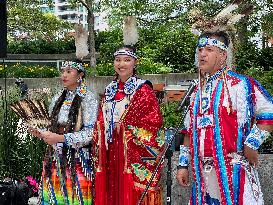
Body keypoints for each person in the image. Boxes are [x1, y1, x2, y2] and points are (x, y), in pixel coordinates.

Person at [176, 30, 273, 204]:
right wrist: (182, 165)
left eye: (208, 49)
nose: (202, 54)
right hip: (202, 175)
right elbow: (188, 132)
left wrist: (252, 143)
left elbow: (269, 112)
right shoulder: (195, 92)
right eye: (199, 50)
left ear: (223, 55)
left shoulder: (241, 84)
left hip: (233, 169)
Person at [93, 45, 164, 205]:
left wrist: (126, 126)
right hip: (110, 152)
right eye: (118, 60)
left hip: (129, 152)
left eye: (127, 60)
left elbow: (153, 122)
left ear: (135, 62)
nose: (121, 64)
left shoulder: (143, 89)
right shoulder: (109, 89)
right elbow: (100, 117)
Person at [28, 60, 98, 204]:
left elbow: (91, 133)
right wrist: (41, 133)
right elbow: (51, 130)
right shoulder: (58, 97)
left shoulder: (89, 98)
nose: (64, 75)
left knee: (76, 198)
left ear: (80, 75)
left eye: (69, 71)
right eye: (63, 71)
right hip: (55, 157)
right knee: (54, 198)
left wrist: (61, 138)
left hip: (78, 159)